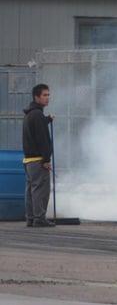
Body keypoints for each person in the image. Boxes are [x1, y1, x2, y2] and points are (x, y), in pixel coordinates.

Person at [22, 84, 55, 227]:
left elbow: (36, 128)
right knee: (41, 190)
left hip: (29, 160)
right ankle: (39, 218)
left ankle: (31, 218)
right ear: (37, 97)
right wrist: (46, 159)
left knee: (31, 190)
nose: (48, 98)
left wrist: (47, 120)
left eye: (48, 95)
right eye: (44, 95)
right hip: (38, 160)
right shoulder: (37, 115)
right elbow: (42, 139)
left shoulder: (30, 114)